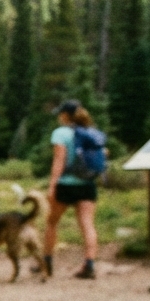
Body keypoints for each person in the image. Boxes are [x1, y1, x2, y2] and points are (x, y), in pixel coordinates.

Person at [43, 100, 102, 280]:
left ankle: (46, 261)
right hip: (87, 183)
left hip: (66, 184)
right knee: (87, 224)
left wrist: (52, 185)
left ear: (65, 115)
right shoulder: (90, 131)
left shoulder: (60, 133)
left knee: (52, 222)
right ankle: (89, 264)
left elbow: (59, 161)